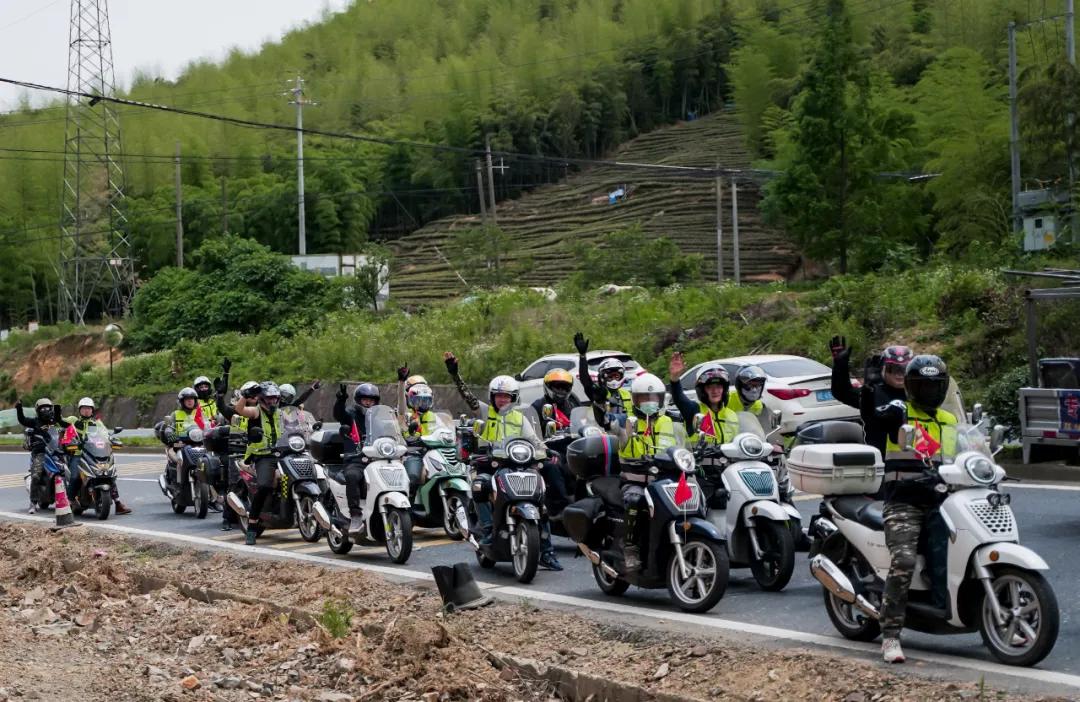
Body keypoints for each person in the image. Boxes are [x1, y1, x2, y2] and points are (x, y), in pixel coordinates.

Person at [862, 354, 957, 664]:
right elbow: (873, 418)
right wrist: (870, 391)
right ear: (912, 388)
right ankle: (890, 635)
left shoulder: (949, 420)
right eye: (923, 386)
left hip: (942, 500)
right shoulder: (899, 413)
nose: (930, 391)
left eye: (935, 385)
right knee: (903, 560)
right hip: (904, 502)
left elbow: (963, 454)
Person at [444, 351, 562, 571]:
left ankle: (547, 552)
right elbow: (468, 397)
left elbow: (534, 440)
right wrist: (454, 374)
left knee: (541, 499)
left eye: (507, 396)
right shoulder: (485, 412)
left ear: (514, 398)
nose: (502, 399)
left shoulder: (520, 418)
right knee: (480, 485)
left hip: (519, 464)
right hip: (490, 464)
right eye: (498, 396)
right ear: (492, 397)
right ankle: (488, 529)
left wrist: (547, 451)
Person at [606, 372, 682, 572]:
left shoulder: (669, 422)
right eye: (643, 398)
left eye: (653, 398)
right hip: (635, 481)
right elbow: (607, 421)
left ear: (661, 399)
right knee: (635, 500)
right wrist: (599, 406)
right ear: (635, 400)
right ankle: (630, 547)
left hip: (663, 479)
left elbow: (682, 442)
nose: (649, 402)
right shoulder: (626, 422)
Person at [831, 337, 913, 455]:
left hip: (918, 458)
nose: (899, 374)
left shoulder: (919, 394)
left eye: (903, 369)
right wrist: (840, 365)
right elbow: (842, 392)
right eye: (893, 369)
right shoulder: (871, 393)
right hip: (879, 460)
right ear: (883, 368)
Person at [233, 382, 287, 545]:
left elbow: (294, 426)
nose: (272, 401)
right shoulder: (256, 411)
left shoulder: (281, 413)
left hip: (283, 453)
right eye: (269, 398)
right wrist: (245, 396)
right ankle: (252, 526)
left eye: (275, 398)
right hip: (263, 455)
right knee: (264, 486)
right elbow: (239, 410)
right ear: (262, 399)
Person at [59, 397, 132, 515]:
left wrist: (111, 440)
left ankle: (118, 504)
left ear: (92, 410)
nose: (86, 411)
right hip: (78, 454)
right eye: (84, 408)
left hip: (93, 453)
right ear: (80, 410)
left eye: (88, 408)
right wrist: (57, 417)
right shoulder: (73, 421)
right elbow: (62, 423)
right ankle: (70, 501)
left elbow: (105, 435)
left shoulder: (97, 424)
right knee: (75, 476)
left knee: (109, 474)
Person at [333, 382, 381, 537]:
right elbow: (339, 414)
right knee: (352, 476)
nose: (368, 403)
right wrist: (340, 400)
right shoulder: (350, 414)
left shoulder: (379, 417)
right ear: (358, 400)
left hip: (378, 458)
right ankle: (355, 515)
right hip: (356, 459)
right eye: (365, 399)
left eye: (371, 400)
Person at [531, 368, 581, 518]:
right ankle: (561, 507)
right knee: (554, 466)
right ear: (548, 387)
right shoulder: (538, 406)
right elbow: (532, 432)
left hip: (571, 447)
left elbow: (583, 420)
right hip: (549, 449)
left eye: (564, 387)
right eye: (557, 386)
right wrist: (544, 448)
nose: (561, 391)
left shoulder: (572, 404)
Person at [667, 353, 740, 444]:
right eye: (709, 387)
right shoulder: (695, 410)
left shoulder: (732, 415)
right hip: (698, 453)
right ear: (702, 390)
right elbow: (679, 398)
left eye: (718, 386)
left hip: (728, 453)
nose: (715, 391)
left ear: (724, 389)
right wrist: (675, 378)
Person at [16, 397, 61, 514]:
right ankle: (33, 503)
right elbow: (22, 420)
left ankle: (73, 500)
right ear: (38, 411)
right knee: (36, 476)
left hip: (56, 452)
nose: (45, 410)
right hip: (40, 453)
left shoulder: (55, 422)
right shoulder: (34, 422)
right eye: (42, 408)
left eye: (48, 408)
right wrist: (19, 408)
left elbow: (66, 430)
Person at [574, 332, 633, 416]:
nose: (614, 380)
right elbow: (585, 380)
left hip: (624, 424)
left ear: (622, 376)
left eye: (616, 376)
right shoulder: (598, 392)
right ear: (603, 377)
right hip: (603, 424)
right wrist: (582, 356)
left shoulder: (627, 394)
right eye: (610, 377)